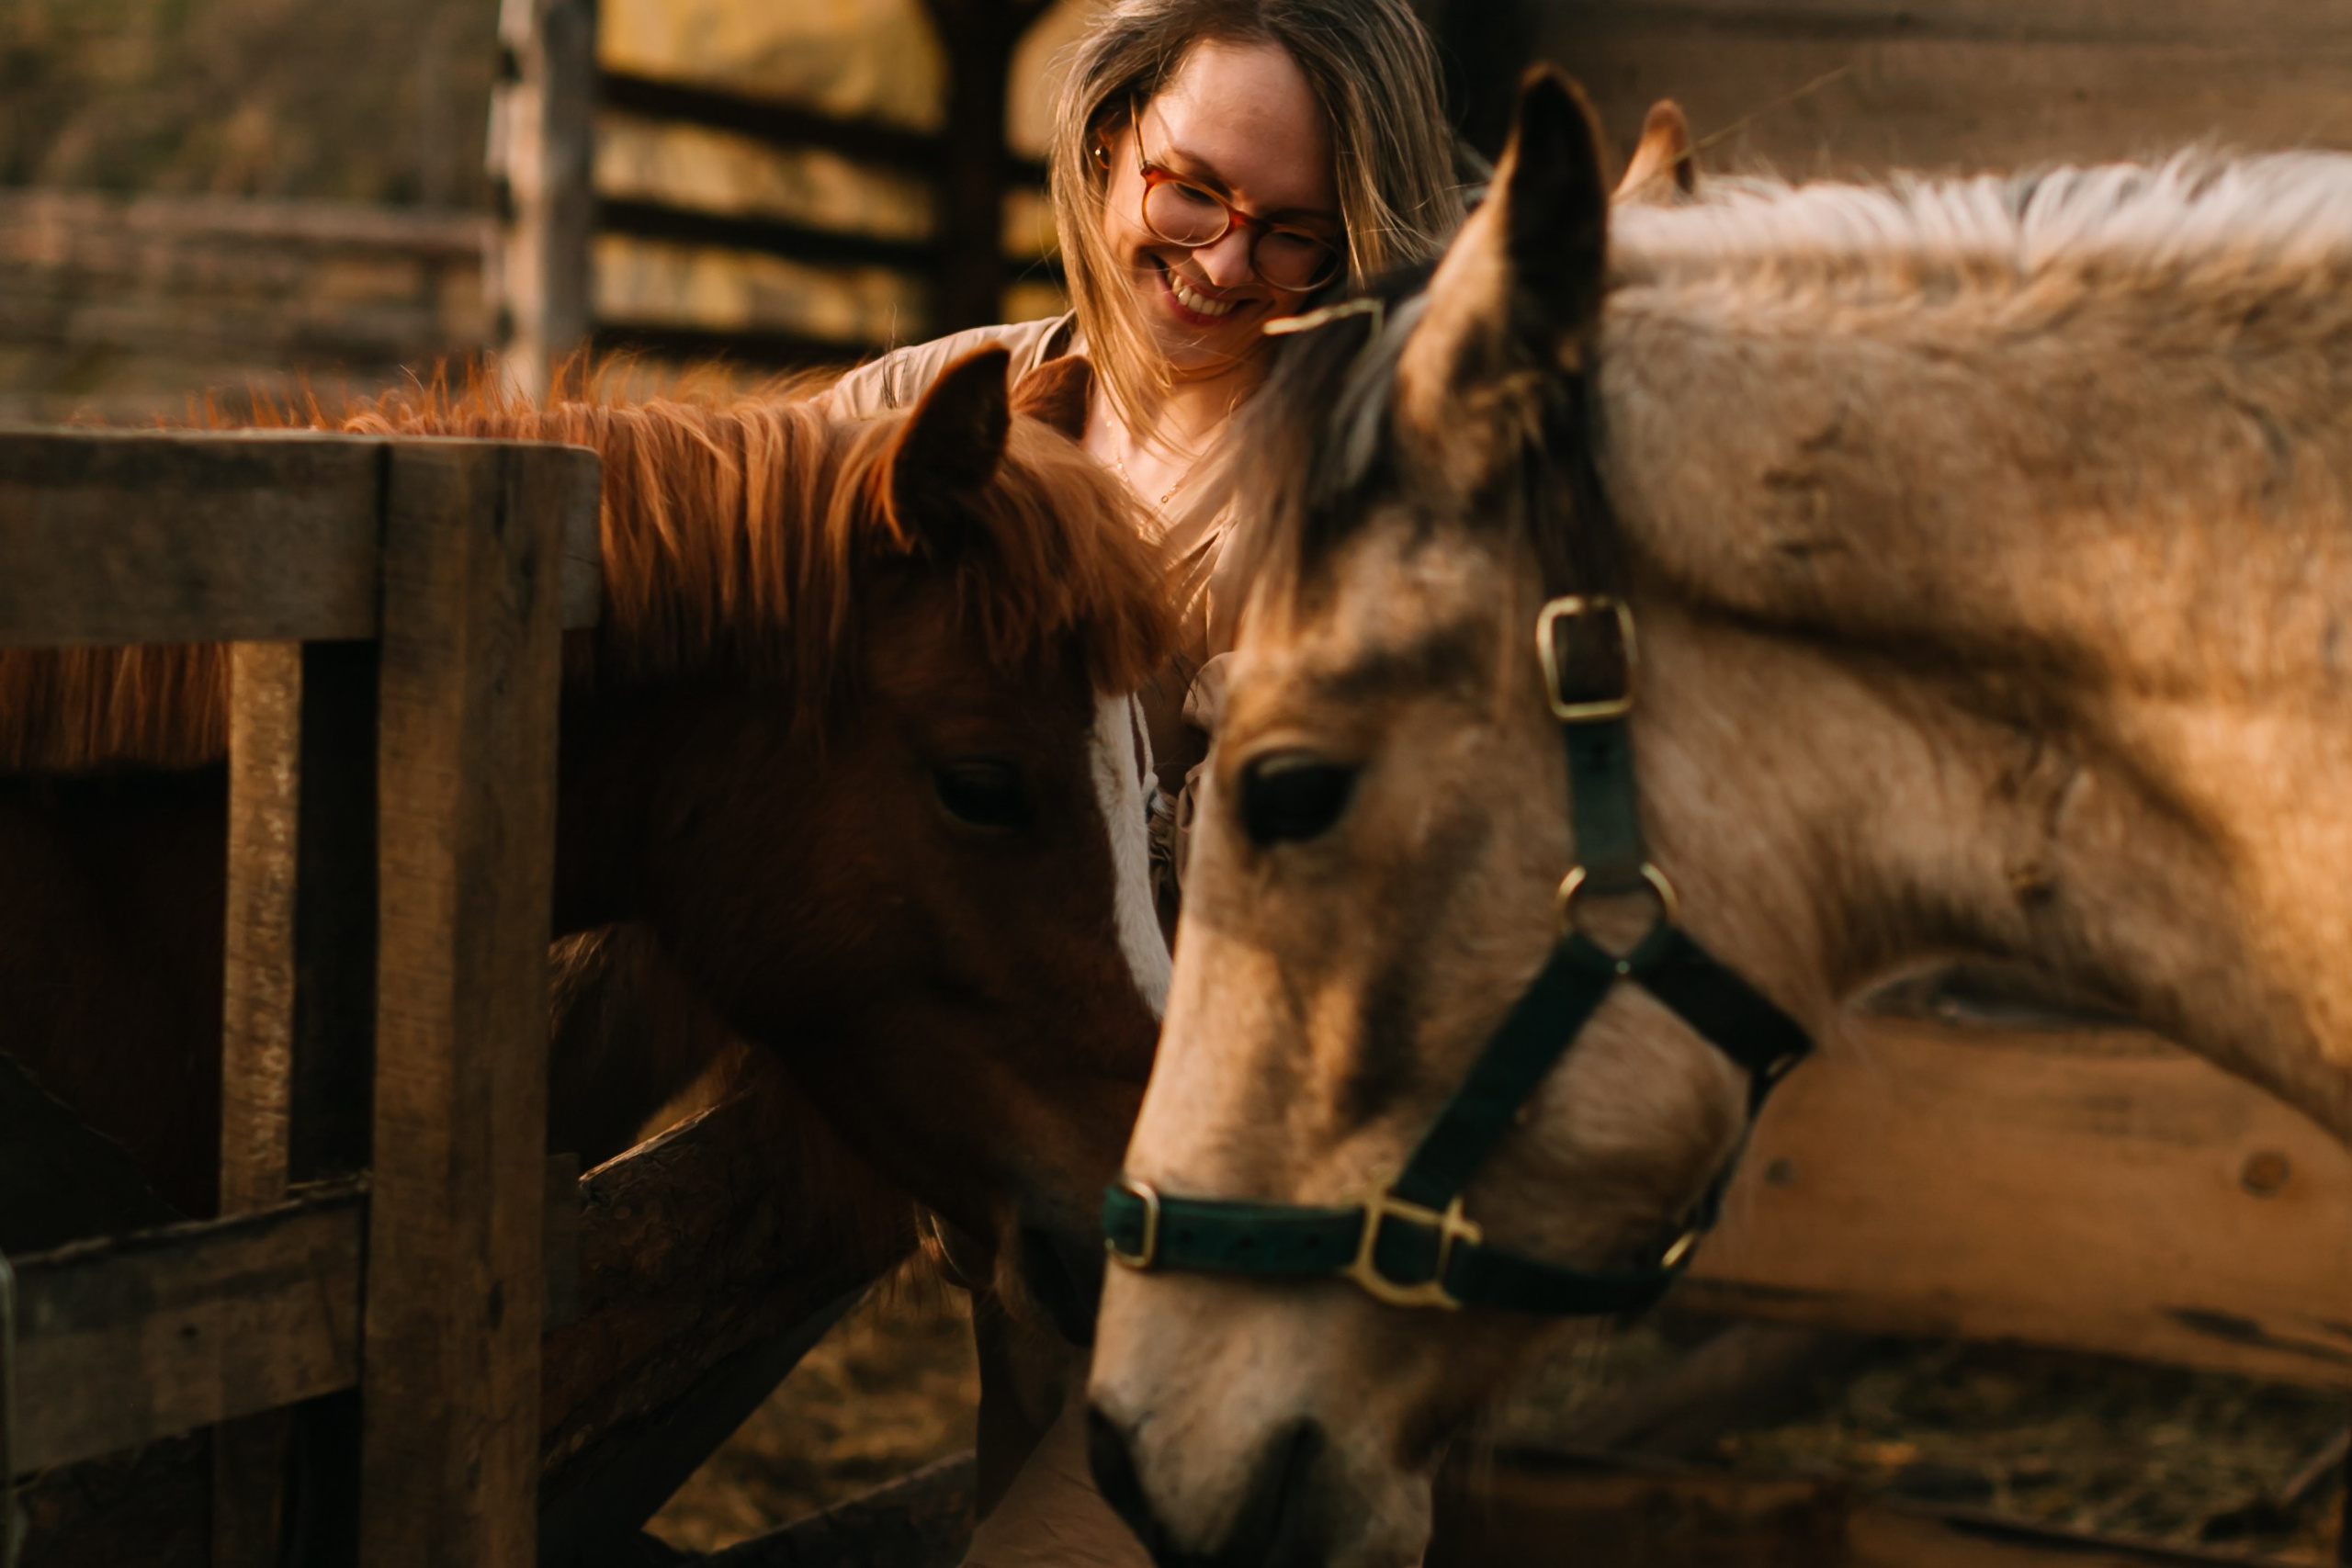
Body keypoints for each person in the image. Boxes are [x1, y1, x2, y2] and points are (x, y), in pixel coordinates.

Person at [826, 0, 1468, 912]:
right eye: (1194, 192)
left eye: (1292, 235)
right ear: (1107, 139)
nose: (1222, 265)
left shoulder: (1356, 510)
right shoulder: (924, 399)